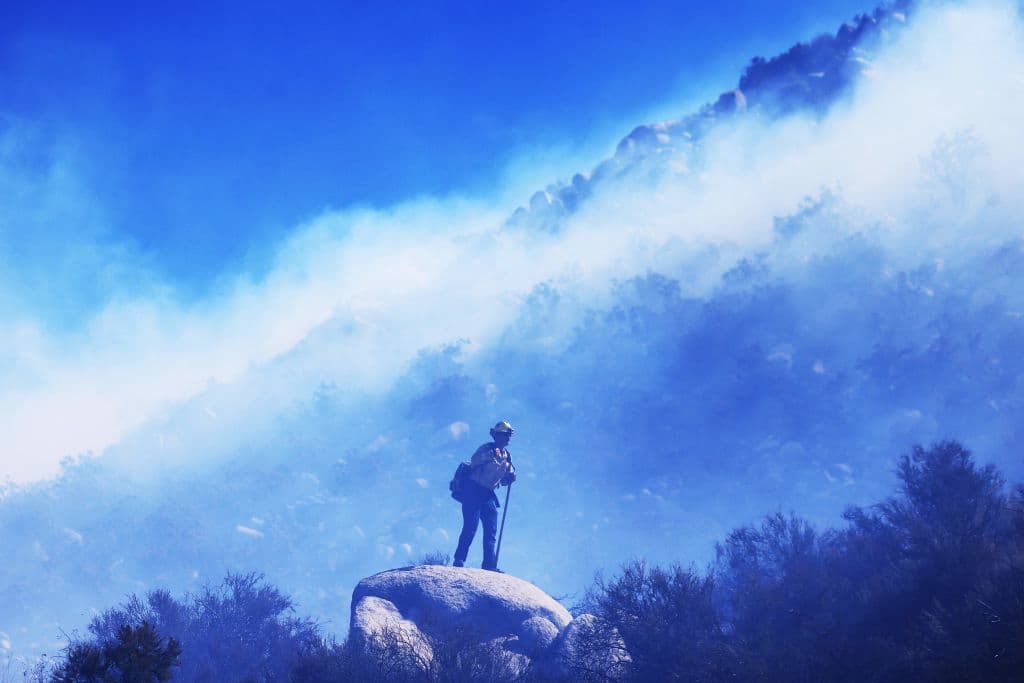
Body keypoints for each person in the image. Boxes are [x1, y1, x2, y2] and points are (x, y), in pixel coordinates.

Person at [453, 420, 517, 571]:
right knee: (470, 526)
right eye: (505, 435)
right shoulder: (487, 448)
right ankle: (459, 559)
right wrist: (489, 455)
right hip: (472, 491)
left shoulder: (507, 457)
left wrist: (511, 476)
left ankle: (489, 566)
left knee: (491, 530)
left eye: (509, 435)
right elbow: (474, 460)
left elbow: (508, 476)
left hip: (488, 494)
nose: (508, 438)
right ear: (497, 436)